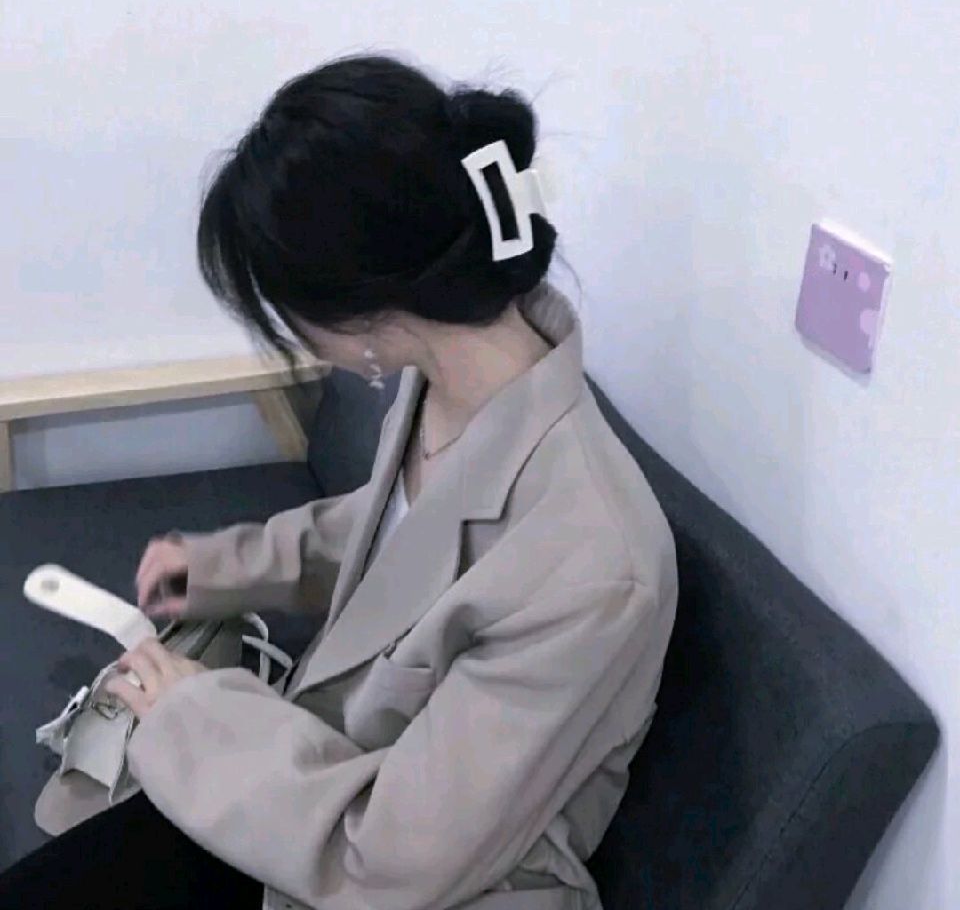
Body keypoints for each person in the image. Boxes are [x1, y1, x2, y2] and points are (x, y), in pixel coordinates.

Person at [0, 52, 678, 910]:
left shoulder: (596, 567)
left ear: (362, 315)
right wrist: (221, 567)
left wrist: (194, 715)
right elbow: (400, 536)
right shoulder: (456, 377)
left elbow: (393, 860)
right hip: (303, 785)